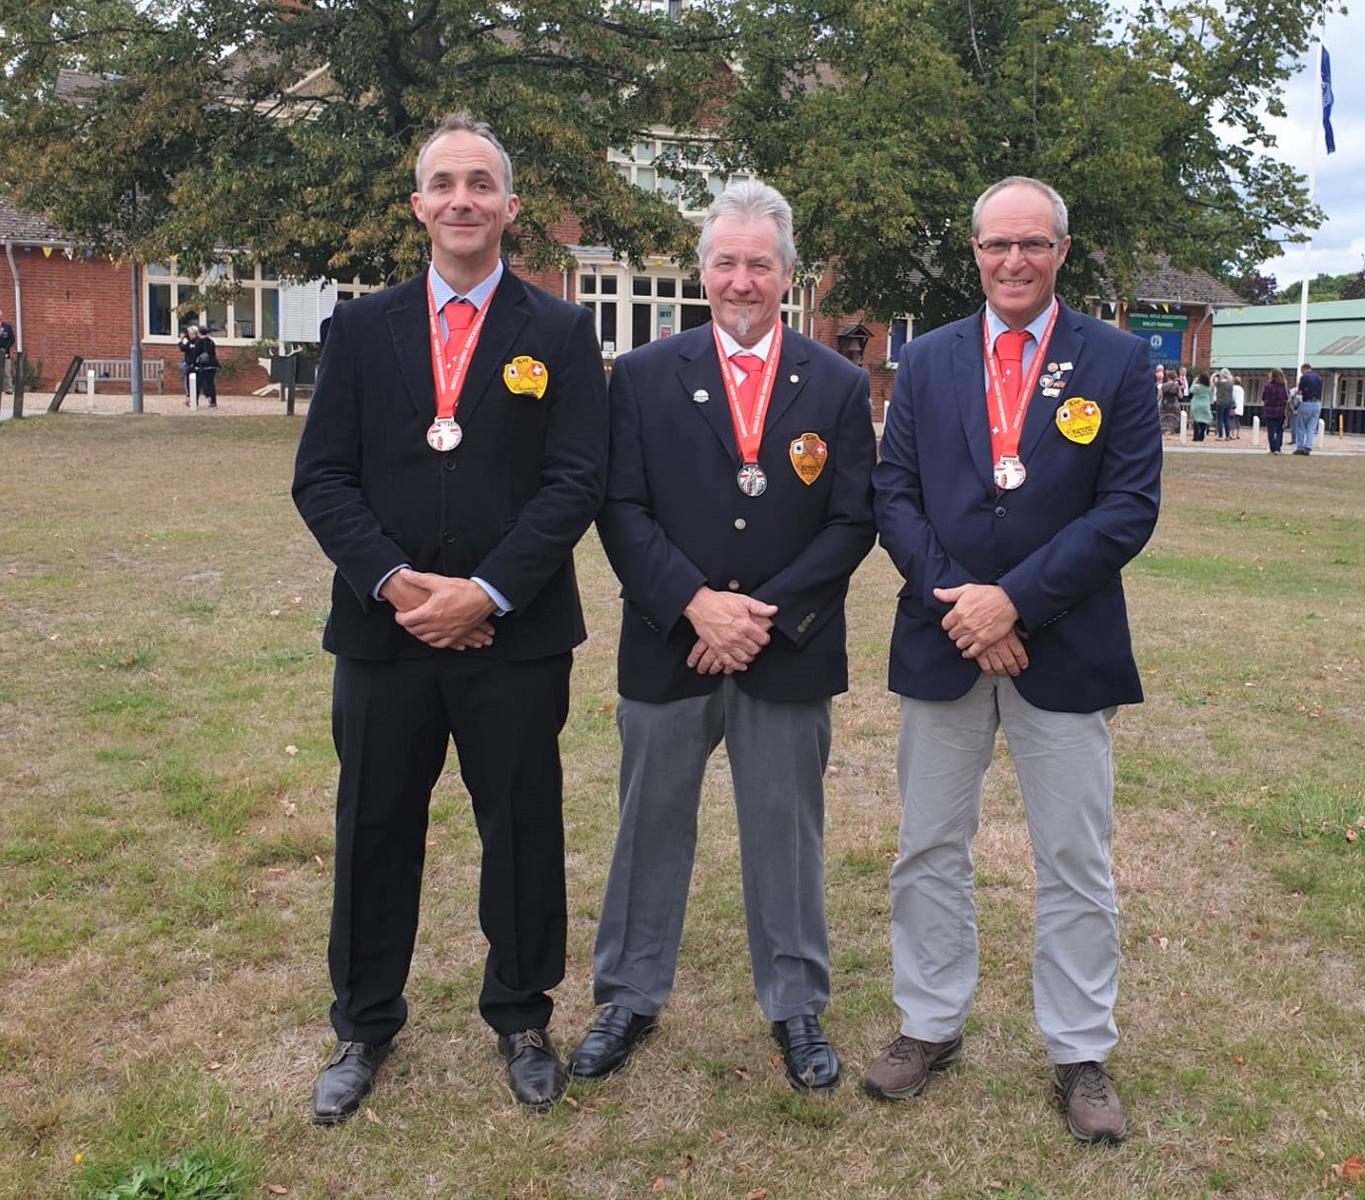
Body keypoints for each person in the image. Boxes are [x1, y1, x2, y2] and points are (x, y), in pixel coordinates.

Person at [291, 112, 608, 1124]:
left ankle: (521, 1015)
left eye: (482, 182)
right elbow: (323, 478)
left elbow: (574, 482)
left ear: (511, 207)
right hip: (383, 637)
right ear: (418, 204)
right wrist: (397, 586)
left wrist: (485, 594)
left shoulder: (559, 330)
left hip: (513, 638)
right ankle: (363, 1024)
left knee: (519, 825)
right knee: (373, 825)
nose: (462, 198)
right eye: (444, 183)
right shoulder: (361, 327)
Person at [868, 176, 1161, 1143]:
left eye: (1033, 244)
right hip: (945, 635)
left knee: (1075, 857)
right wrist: (964, 603)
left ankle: (1079, 1049)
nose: (1013, 261)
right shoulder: (928, 359)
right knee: (927, 851)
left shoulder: (1117, 362)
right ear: (975, 249)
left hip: (1062, 644)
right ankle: (930, 1023)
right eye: (997, 244)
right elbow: (893, 496)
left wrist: (1016, 601)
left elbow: (1127, 508)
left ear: (1062, 252)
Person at [576, 181, 876, 1092]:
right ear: (702, 269)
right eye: (725, 262)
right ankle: (628, 992)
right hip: (672, 640)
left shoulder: (839, 384)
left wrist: (758, 618)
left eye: (760, 264)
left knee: (786, 831)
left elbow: (852, 520)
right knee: (648, 821)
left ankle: (795, 1004)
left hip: (786, 647)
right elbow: (618, 507)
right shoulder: (641, 374)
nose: (741, 280)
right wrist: (696, 605)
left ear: (789, 275)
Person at [1293, 361, 1323, 454]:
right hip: (1317, 403)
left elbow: (1300, 391)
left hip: (1306, 403)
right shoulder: (1319, 377)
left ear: (1304, 369)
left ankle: (1300, 447)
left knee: (1301, 426)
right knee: (1312, 427)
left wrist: (1295, 393)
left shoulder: (1304, 377)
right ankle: (1308, 447)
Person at [1260, 368, 1289, 453]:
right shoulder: (1283, 387)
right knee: (1279, 430)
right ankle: (1278, 448)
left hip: (1269, 411)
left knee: (1271, 431)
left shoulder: (1268, 386)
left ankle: (1272, 448)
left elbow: (1263, 397)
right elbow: (1286, 398)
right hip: (1280, 411)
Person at [192, 323, 220, 407]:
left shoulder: (198, 342)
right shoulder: (211, 341)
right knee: (211, 384)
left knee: (197, 384)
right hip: (212, 365)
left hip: (201, 366)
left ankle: (194, 402)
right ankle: (213, 402)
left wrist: (193, 364)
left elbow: (195, 354)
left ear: (199, 332)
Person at [1189, 372, 1213, 442]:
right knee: (1204, 421)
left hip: (1197, 404)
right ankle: (1202, 435)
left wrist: (1194, 382)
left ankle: (1196, 436)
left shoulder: (1197, 386)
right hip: (1205, 404)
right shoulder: (1209, 387)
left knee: (1196, 420)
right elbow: (1211, 396)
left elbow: (1191, 390)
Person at [1210, 368, 1232, 440]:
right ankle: (1228, 435)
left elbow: (1212, 384)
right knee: (1226, 419)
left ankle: (1220, 435)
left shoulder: (1219, 382)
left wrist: (1213, 376)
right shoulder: (1230, 383)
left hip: (1220, 402)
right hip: (1229, 402)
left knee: (1219, 419)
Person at [0, 315, 14, 394]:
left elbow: (12, 339)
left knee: (6, 371)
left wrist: (6, 348)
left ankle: (8, 388)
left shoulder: (7, 328)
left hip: (5, 353)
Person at [1230, 374, 1245, 439]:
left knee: (1232, 420)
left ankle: (1232, 434)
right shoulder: (1242, 389)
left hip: (1234, 406)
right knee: (1238, 421)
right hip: (1240, 407)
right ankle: (1237, 434)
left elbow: (1232, 397)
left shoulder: (1233, 388)